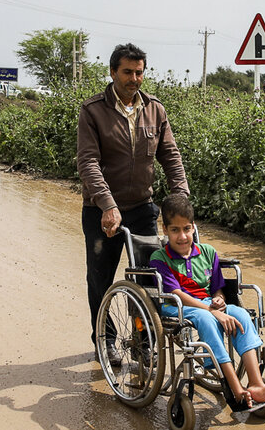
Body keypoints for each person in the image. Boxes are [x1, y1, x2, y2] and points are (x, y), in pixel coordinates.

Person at [76, 43, 189, 359]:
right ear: (113, 72)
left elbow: (170, 155)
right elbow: (87, 162)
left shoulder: (155, 109)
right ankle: (105, 339)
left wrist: (181, 197)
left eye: (139, 72)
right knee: (100, 278)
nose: (134, 78)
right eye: (127, 72)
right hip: (101, 211)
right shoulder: (93, 111)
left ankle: (142, 342)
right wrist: (107, 205)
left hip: (141, 208)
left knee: (148, 279)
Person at [150, 194, 265, 410]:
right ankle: (235, 388)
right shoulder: (159, 258)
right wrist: (213, 312)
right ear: (165, 230)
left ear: (193, 227)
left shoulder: (208, 252)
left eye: (186, 229)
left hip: (207, 304)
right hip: (176, 306)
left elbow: (217, 288)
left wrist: (219, 301)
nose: (182, 236)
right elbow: (176, 293)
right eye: (175, 230)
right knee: (206, 317)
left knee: (239, 314)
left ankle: (256, 383)